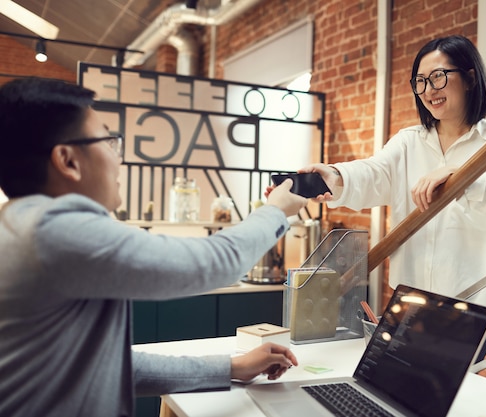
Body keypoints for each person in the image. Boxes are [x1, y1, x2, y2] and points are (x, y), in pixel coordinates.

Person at [0, 77, 307, 417]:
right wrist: (276, 210)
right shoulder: (55, 230)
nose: (119, 160)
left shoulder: (21, 222)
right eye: (108, 141)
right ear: (68, 160)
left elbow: (112, 367)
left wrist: (231, 367)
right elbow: (214, 263)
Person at [299, 35, 486, 360]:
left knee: (447, 404)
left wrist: (462, 179)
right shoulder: (408, 142)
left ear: (469, 78)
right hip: (409, 303)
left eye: (438, 77)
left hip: (471, 308)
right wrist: (335, 176)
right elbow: (373, 174)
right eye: (420, 82)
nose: (429, 90)